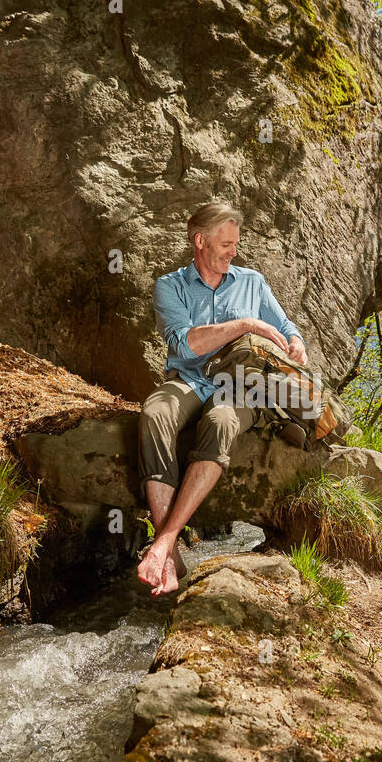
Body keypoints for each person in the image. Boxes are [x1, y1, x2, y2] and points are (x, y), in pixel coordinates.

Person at [135, 201, 308, 595]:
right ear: (200, 241)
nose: (234, 252)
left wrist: (296, 344)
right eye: (226, 243)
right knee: (155, 412)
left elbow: (286, 327)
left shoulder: (253, 282)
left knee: (221, 421)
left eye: (236, 243)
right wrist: (245, 324)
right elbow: (185, 343)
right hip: (190, 379)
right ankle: (173, 552)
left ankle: (163, 543)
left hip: (240, 387)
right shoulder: (169, 287)